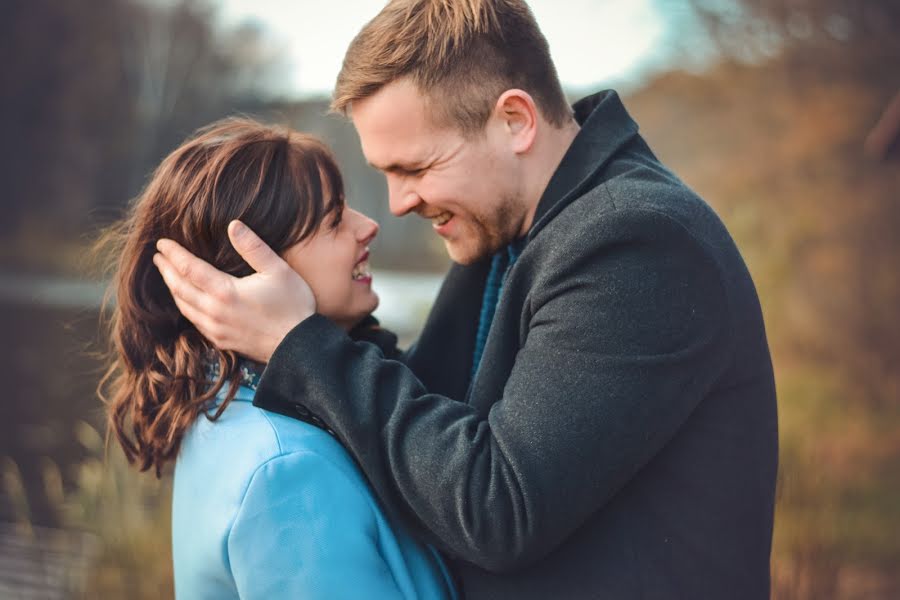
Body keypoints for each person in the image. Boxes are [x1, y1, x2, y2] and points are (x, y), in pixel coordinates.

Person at [153, 0, 779, 598]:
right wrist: (300, 322)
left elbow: (497, 507)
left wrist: (301, 343)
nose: (397, 204)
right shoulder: (518, 229)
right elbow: (425, 406)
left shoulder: (636, 243)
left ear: (514, 121)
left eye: (416, 168)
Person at [97, 118, 456, 599]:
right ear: (253, 272)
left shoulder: (223, 406)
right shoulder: (287, 469)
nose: (368, 227)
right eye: (333, 220)